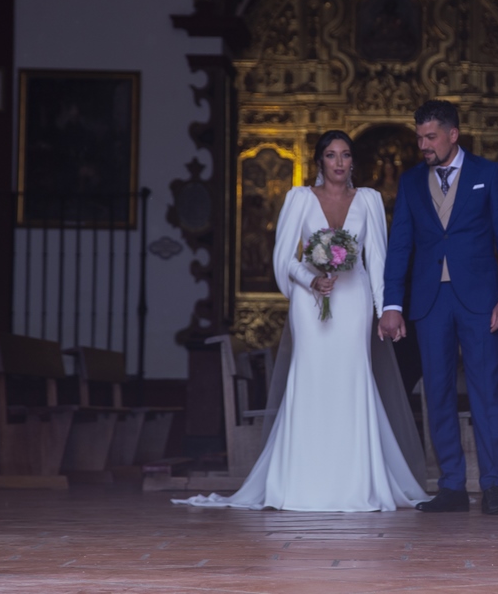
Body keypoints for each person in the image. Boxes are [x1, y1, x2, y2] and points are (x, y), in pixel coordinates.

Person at [174, 130, 429, 511]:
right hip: (310, 305)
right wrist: (311, 281)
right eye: (331, 155)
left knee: (351, 380)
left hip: (354, 301)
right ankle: (301, 482)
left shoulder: (370, 200)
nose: (339, 162)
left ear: (353, 161)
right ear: (319, 160)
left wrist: (385, 310)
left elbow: (378, 260)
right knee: (310, 379)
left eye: (345, 155)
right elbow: (283, 258)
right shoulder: (299, 198)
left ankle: (355, 480)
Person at [378, 100, 498, 516]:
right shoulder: (410, 182)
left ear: (453, 135)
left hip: (480, 300)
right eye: (419, 137)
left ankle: (493, 486)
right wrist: (391, 304)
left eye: (431, 137)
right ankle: (452, 486)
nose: (423, 145)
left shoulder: (488, 174)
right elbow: (399, 245)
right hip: (429, 301)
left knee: (485, 392)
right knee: (437, 392)